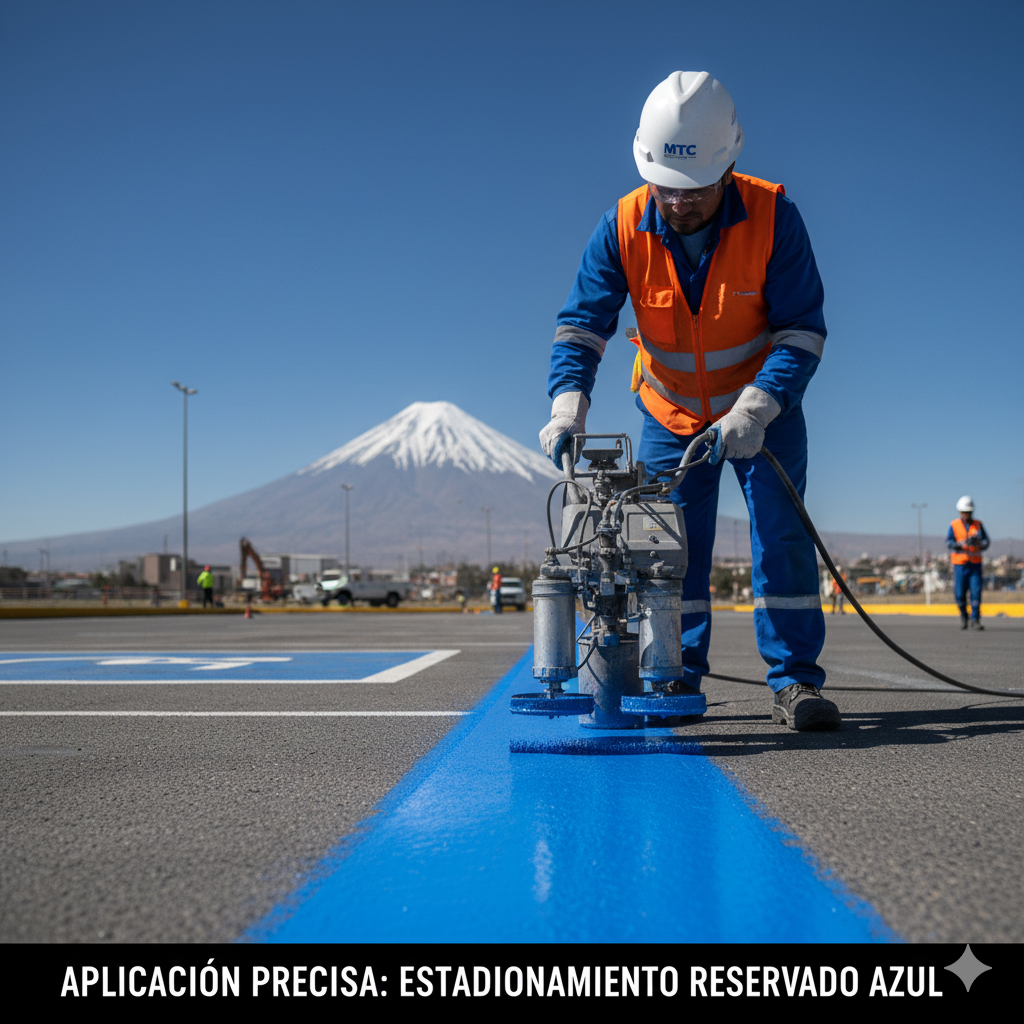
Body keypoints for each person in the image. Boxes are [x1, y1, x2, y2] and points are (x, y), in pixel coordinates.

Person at [539, 72, 839, 731]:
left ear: (728, 164)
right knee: (664, 553)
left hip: (762, 415)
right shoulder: (620, 225)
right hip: (670, 416)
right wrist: (568, 407)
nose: (680, 203)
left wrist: (757, 408)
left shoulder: (773, 216)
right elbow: (581, 325)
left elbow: (801, 330)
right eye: (668, 190)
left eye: (696, 189)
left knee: (782, 542)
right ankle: (672, 678)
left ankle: (794, 683)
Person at [946, 495, 989, 629]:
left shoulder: (978, 525)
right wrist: (957, 545)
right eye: (964, 513)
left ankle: (975, 619)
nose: (966, 515)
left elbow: (986, 542)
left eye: (969, 512)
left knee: (975, 592)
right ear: (960, 512)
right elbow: (948, 542)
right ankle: (964, 617)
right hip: (960, 565)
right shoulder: (954, 525)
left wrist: (980, 543)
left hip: (975, 564)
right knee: (960, 593)